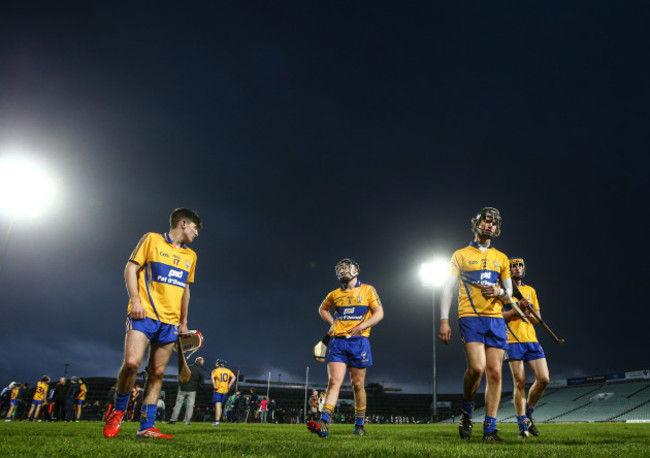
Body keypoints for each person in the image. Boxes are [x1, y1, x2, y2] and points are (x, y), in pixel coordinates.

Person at [103, 208, 201, 439]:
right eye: (195, 228)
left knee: (156, 373)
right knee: (132, 364)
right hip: (144, 314)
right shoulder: (152, 239)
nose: (196, 233)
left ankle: (146, 426)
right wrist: (135, 300)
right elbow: (130, 268)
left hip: (170, 323)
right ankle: (118, 412)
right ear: (183, 223)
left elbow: (185, 289)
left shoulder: (191, 257)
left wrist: (183, 322)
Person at [438, 207, 512, 442]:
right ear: (476, 224)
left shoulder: (501, 258)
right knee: (477, 368)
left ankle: (489, 429)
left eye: (493, 223)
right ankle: (467, 412)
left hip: (495, 318)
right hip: (469, 316)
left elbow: (509, 294)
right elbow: (448, 288)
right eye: (485, 221)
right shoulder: (460, 254)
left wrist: (500, 290)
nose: (488, 225)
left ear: (496, 229)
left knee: (496, 373)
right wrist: (443, 320)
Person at [307, 258, 384, 438]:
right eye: (339, 269)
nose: (342, 271)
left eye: (345, 268)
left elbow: (379, 313)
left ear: (355, 270)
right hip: (338, 343)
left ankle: (359, 425)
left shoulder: (368, 290)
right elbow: (322, 309)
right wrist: (332, 322)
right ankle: (324, 422)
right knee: (334, 382)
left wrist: (362, 326)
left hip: (359, 342)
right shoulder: (334, 294)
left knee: (358, 385)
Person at [503, 257, 550, 438]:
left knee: (544, 378)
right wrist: (516, 310)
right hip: (512, 340)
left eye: (519, 266)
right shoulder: (503, 290)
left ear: (524, 269)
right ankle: (522, 424)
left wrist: (527, 309)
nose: (516, 268)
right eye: (513, 266)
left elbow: (537, 319)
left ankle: (528, 413)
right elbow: (499, 317)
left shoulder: (530, 290)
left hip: (531, 340)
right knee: (519, 383)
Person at [169, 356, 207, 425]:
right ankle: (187, 421)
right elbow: (202, 382)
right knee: (190, 406)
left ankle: (173, 419)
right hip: (192, 390)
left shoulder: (189, 367)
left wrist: (181, 384)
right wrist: (197, 387)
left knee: (178, 404)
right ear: (201, 363)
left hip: (183, 388)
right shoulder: (201, 370)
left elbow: (181, 375)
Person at [211, 359, 235, 426]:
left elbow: (212, 378)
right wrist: (229, 385)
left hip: (218, 390)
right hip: (225, 391)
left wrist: (214, 386)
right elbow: (234, 377)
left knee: (218, 406)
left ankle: (217, 421)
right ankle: (218, 420)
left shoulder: (216, 371)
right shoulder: (228, 370)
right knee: (220, 406)